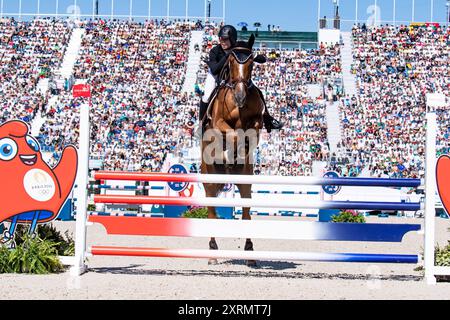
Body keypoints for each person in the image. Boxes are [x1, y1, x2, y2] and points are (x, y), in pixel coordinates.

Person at [198, 25, 283, 133]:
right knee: (206, 96)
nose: (222, 41)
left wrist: (253, 55)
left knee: (257, 91)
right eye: (220, 38)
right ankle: (201, 124)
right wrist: (229, 55)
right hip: (216, 76)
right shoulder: (215, 51)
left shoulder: (239, 49)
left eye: (225, 39)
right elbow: (215, 70)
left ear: (232, 39)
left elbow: (262, 59)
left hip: (236, 77)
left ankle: (268, 119)